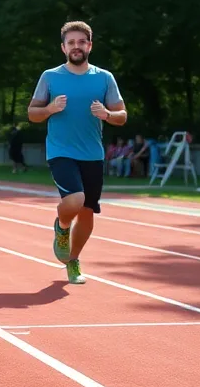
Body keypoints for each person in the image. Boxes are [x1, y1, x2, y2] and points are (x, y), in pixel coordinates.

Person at [27, 20, 126, 285]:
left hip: (92, 153)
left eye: (81, 42)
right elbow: (32, 113)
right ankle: (61, 227)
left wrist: (107, 114)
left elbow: (122, 115)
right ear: (63, 47)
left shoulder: (104, 78)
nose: (76, 46)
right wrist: (49, 109)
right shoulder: (50, 76)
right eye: (71, 42)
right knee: (75, 199)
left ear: (89, 45)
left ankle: (73, 261)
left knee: (87, 212)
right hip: (61, 150)